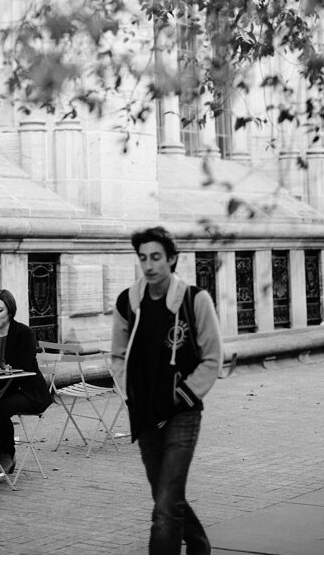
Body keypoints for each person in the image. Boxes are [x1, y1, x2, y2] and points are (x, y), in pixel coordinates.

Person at [110, 226, 223, 555]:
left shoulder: (194, 300)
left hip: (182, 413)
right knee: (165, 495)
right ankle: (199, 544)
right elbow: (117, 356)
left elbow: (213, 358)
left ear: (172, 259)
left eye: (156, 257)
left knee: (164, 508)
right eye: (143, 257)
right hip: (145, 415)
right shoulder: (128, 301)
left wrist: (183, 394)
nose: (149, 265)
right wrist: (129, 394)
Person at [0, 289, 53, 475]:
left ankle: (8, 453)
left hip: (27, 391)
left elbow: (19, 369)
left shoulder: (24, 333)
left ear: (10, 310)